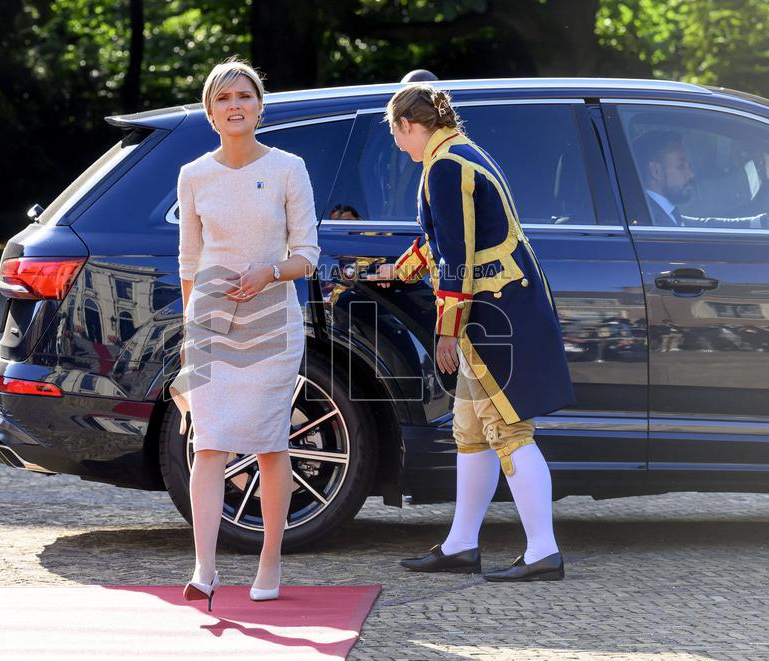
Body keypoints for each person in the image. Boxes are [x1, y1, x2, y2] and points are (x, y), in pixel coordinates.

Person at [368, 84, 575, 582]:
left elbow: (456, 255)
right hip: (502, 303)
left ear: (406, 126)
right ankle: (462, 544)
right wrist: (397, 271)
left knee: (507, 429)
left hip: (493, 310)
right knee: (472, 429)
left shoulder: (445, 165)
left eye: (396, 134)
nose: (398, 145)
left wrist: (445, 331)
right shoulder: (458, 152)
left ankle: (543, 550)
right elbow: (444, 239)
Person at [175, 57, 320, 609]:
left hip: (272, 322)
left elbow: (307, 254)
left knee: (267, 443)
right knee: (207, 444)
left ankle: (270, 558)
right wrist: (192, 336)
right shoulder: (193, 175)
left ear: (260, 106)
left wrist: (270, 272)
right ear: (211, 111)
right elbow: (189, 261)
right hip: (210, 323)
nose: (234, 105)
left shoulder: (289, 168)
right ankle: (204, 568)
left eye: (244, 96)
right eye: (223, 98)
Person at [632, 130, 769, 228]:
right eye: (681, 166)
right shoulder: (649, 221)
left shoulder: (657, 213)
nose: (691, 174)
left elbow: (700, 225)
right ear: (655, 171)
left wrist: (766, 221)